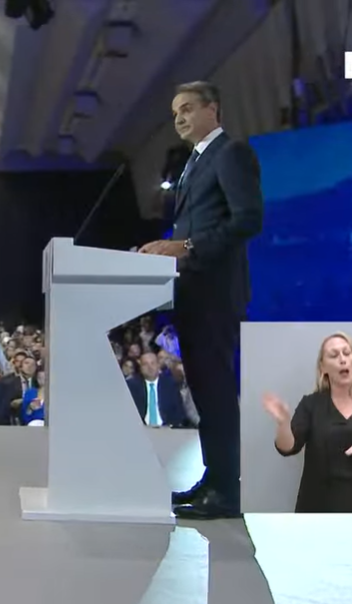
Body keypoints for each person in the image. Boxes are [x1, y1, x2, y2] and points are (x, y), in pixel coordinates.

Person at [139, 81, 263, 519]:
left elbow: (248, 219)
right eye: (175, 112)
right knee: (206, 393)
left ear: (214, 109)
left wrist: (186, 247)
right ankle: (214, 479)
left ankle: (228, 492)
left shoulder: (231, 153)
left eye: (188, 108)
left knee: (217, 391)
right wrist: (166, 249)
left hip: (216, 291)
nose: (180, 118)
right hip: (194, 290)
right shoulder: (195, 161)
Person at [262, 332, 352, 513]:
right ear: (323, 367)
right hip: (319, 507)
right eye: (334, 355)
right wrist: (283, 424)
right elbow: (288, 447)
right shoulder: (311, 404)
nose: (342, 359)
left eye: (347, 353)